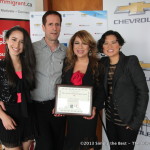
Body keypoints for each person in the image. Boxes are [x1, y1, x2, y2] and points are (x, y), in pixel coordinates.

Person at [97, 30, 149, 150]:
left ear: (119, 44)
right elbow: (102, 91)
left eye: (113, 42)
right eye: (105, 43)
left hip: (127, 122)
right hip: (110, 120)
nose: (109, 46)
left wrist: (135, 123)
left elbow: (143, 92)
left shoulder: (130, 61)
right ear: (102, 47)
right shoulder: (103, 63)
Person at [62, 30, 105, 150]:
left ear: (90, 46)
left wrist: (95, 107)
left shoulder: (98, 65)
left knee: (87, 144)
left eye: (84, 43)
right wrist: (59, 104)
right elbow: (64, 85)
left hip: (88, 114)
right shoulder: (67, 63)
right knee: (73, 142)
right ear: (72, 46)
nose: (80, 47)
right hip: (71, 114)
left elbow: (101, 91)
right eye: (77, 43)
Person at [31, 11, 67, 150]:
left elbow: (68, 79)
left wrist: (62, 103)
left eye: (57, 24)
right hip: (37, 107)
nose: (54, 28)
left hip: (58, 106)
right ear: (43, 27)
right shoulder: (32, 49)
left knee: (59, 144)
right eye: (50, 24)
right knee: (44, 146)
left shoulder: (66, 52)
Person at [0, 26, 37, 150]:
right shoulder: (1, 66)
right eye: (14, 39)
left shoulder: (29, 65)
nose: (17, 44)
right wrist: (3, 116)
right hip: (8, 114)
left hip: (27, 113)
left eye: (22, 42)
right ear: (6, 40)